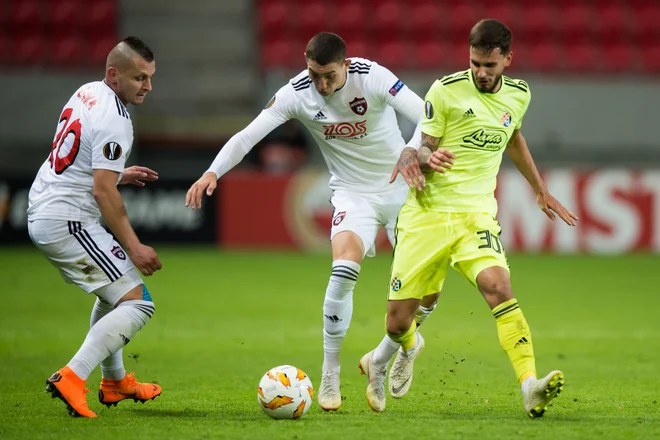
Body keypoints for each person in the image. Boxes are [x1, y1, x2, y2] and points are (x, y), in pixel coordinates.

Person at [185, 32, 452, 411]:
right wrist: (213, 171)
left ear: (345, 65)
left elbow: (427, 113)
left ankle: (382, 357)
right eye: (314, 74)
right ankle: (330, 372)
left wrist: (411, 150)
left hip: (401, 189)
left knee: (429, 292)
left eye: (328, 75)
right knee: (343, 268)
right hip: (351, 192)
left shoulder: (372, 77)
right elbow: (247, 136)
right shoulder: (296, 93)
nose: (321, 84)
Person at [358, 19, 578, 417]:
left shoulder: (520, 95)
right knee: (396, 323)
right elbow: (421, 147)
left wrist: (539, 188)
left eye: (489, 65)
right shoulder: (445, 91)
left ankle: (530, 386)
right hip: (427, 215)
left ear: (508, 60)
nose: (480, 72)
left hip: (475, 216)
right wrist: (428, 157)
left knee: (499, 287)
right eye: (475, 62)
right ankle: (380, 359)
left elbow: (512, 137)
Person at [27, 36, 162, 418]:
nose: (147, 87)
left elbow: (85, 167)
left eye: (150, 78)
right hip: (67, 219)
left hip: (46, 206)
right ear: (113, 75)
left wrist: (117, 173)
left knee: (113, 295)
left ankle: (114, 382)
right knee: (138, 303)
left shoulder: (87, 92)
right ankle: (72, 376)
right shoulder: (116, 121)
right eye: (139, 78)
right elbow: (103, 193)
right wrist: (134, 246)